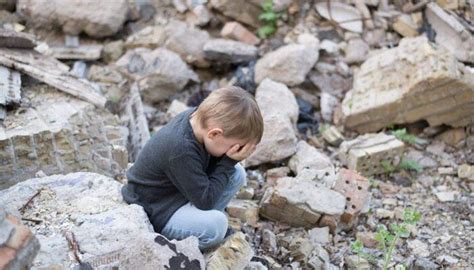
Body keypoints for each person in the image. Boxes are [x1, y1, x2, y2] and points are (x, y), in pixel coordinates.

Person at [121, 86, 264, 251]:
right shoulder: (180, 148)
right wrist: (227, 161)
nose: (234, 152)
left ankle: (199, 220)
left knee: (237, 174)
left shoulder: (199, 119)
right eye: (233, 147)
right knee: (216, 226)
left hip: (177, 193)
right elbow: (205, 200)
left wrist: (229, 161)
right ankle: (178, 249)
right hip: (156, 210)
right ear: (214, 134)